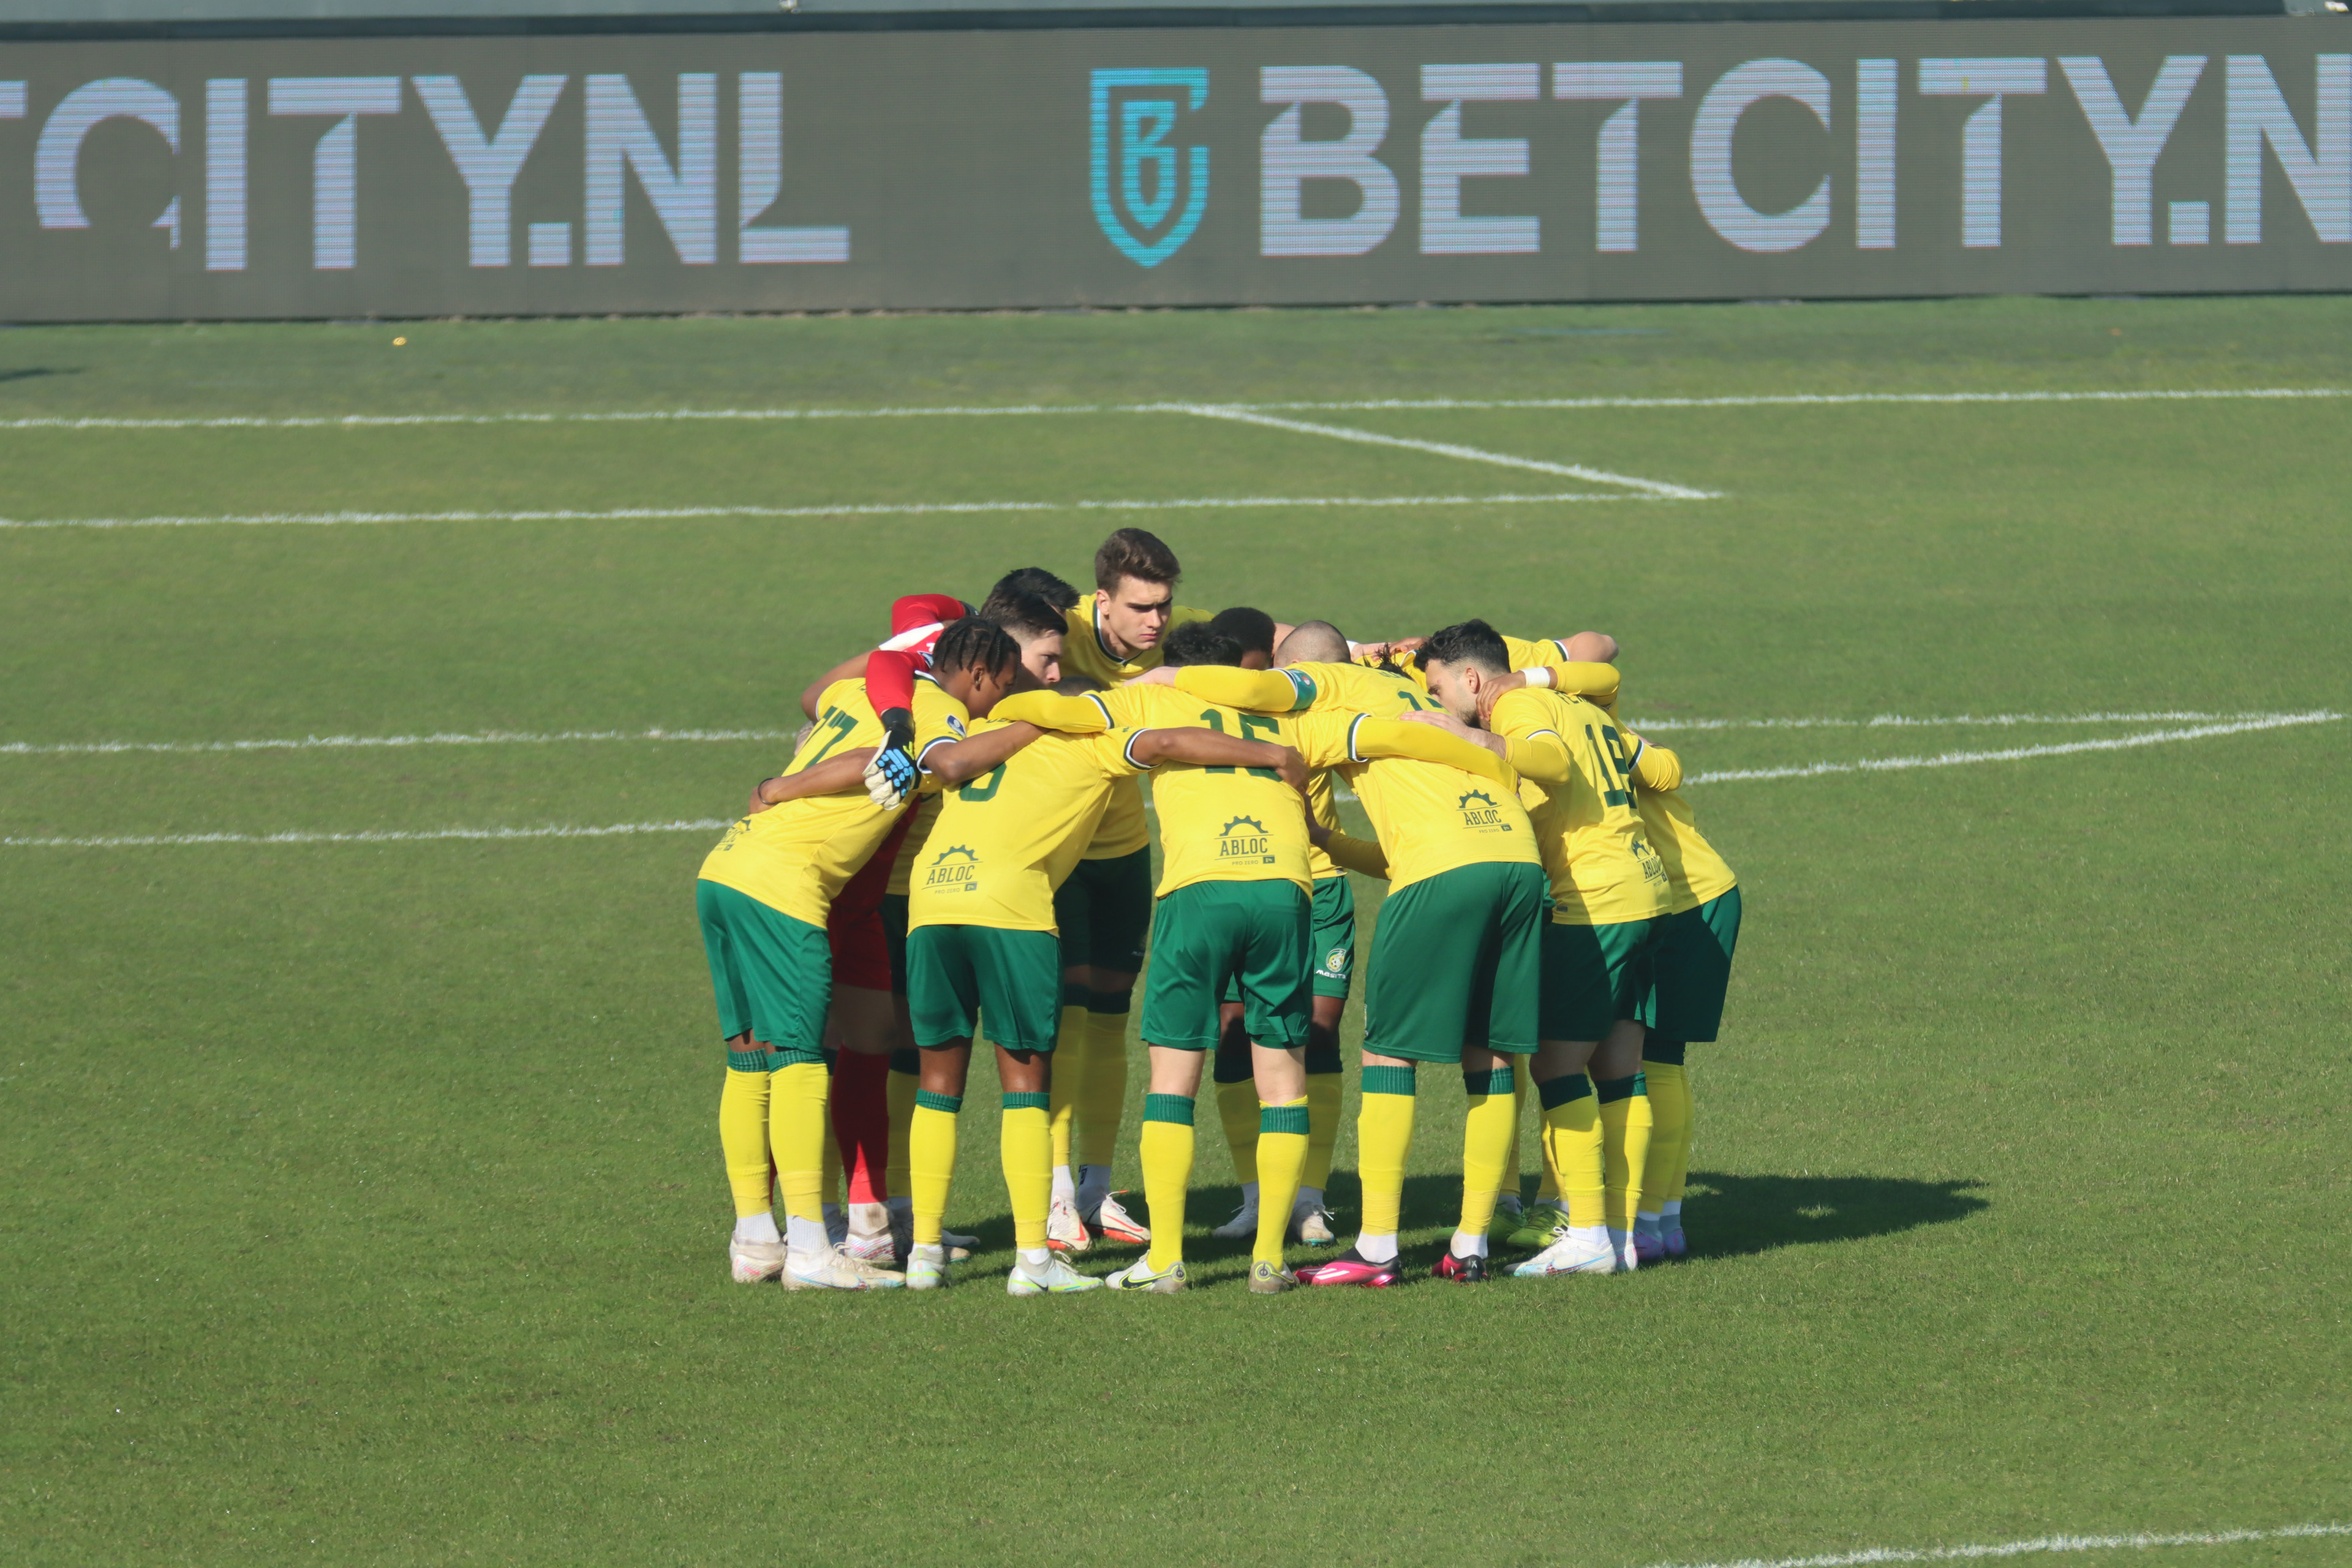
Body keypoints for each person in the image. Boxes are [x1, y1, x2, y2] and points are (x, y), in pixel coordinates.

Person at [1147, 625, 1548, 1286]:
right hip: (1516, 858)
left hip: (1441, 867)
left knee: (1388, 1055)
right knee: (1493, 1051)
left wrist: (1165, 678)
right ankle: (1471, 1243)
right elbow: (1396, 848)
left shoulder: (1331, 693)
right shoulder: (1418, 699)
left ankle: (1378, 1248)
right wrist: (1326, 839)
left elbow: (1256, 693)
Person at [899, 678, 1300, 1294]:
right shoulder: (1093, 741)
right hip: (1011, 908)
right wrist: (1273, 754)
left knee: (936, 1080)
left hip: (930, 901)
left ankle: (925, 1255)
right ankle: (1033, 1262)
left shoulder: (982, 734)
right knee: (1025, 1086)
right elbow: (1169, 741)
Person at [698, 616, 1025, 1291]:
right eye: (1004, 686)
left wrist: (782, 786)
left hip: (728, 866)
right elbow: (887, 760)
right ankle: (810, 1250)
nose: (1000, 700)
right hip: (787, 884)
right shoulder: (942, 715)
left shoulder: (860, 693)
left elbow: (848, 688)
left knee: (750, 1056)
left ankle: (755, 1240)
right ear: (980, 674)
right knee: (798, 1060)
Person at [1414, 620, 1675, 1276]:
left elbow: (1551, 762)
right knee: (1619, 1068)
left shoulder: (1515, 705)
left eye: (1438, 689)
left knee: (1556, 1068)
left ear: (1470, 678)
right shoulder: (1573, 702)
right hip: (1645, 891)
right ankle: (1620, 1234)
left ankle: (1586, 1234)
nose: (1437, 701)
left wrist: (1473, 737)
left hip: (1595, 901)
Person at [1044, 530, 1216, 1252]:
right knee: (1061, 1021)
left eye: (1164, 605)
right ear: (1102, 601)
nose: (1156, 621)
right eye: (1141, 607)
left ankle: (1096, 1186)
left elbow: (1263, 637)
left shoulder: (1174, 639)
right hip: (1059, 851)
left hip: (1123, 853)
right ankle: (1054, 1191)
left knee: (1111, 1017)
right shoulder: (1058, 631)